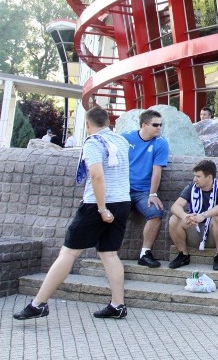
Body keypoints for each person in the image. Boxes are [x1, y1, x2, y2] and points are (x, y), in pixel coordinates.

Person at [14, 106, 131, 321]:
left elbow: (96, 175)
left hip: (97, 205)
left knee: (68, 253)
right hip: (123, 201)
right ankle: (118, 305)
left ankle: (39, 303)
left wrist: (102, 208)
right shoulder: (121, 141)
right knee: (110, 254)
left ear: (88, 124)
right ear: (107, 122)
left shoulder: (94, 143)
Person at [122, 109, 170, 268]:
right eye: (155, 125)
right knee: (112, 213)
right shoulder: (125, 138)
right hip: (122, 189)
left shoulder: (160, 143)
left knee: (156, 213)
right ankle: (108, 252)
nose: (159, 128)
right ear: (144, 125)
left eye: (161, 125)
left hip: (143, 192)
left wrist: (153, 194)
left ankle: (145, 253)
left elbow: (157, 170)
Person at [167, 159, 218, 272]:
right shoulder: (192, 187)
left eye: (198, 176)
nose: (194, 179)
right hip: (194, 230)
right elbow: (175, 206)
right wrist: (184, 216)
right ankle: (183, 255)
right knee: (174, 219)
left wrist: (204, 215)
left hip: (213, 232)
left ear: (209, 177)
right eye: (194, 176)